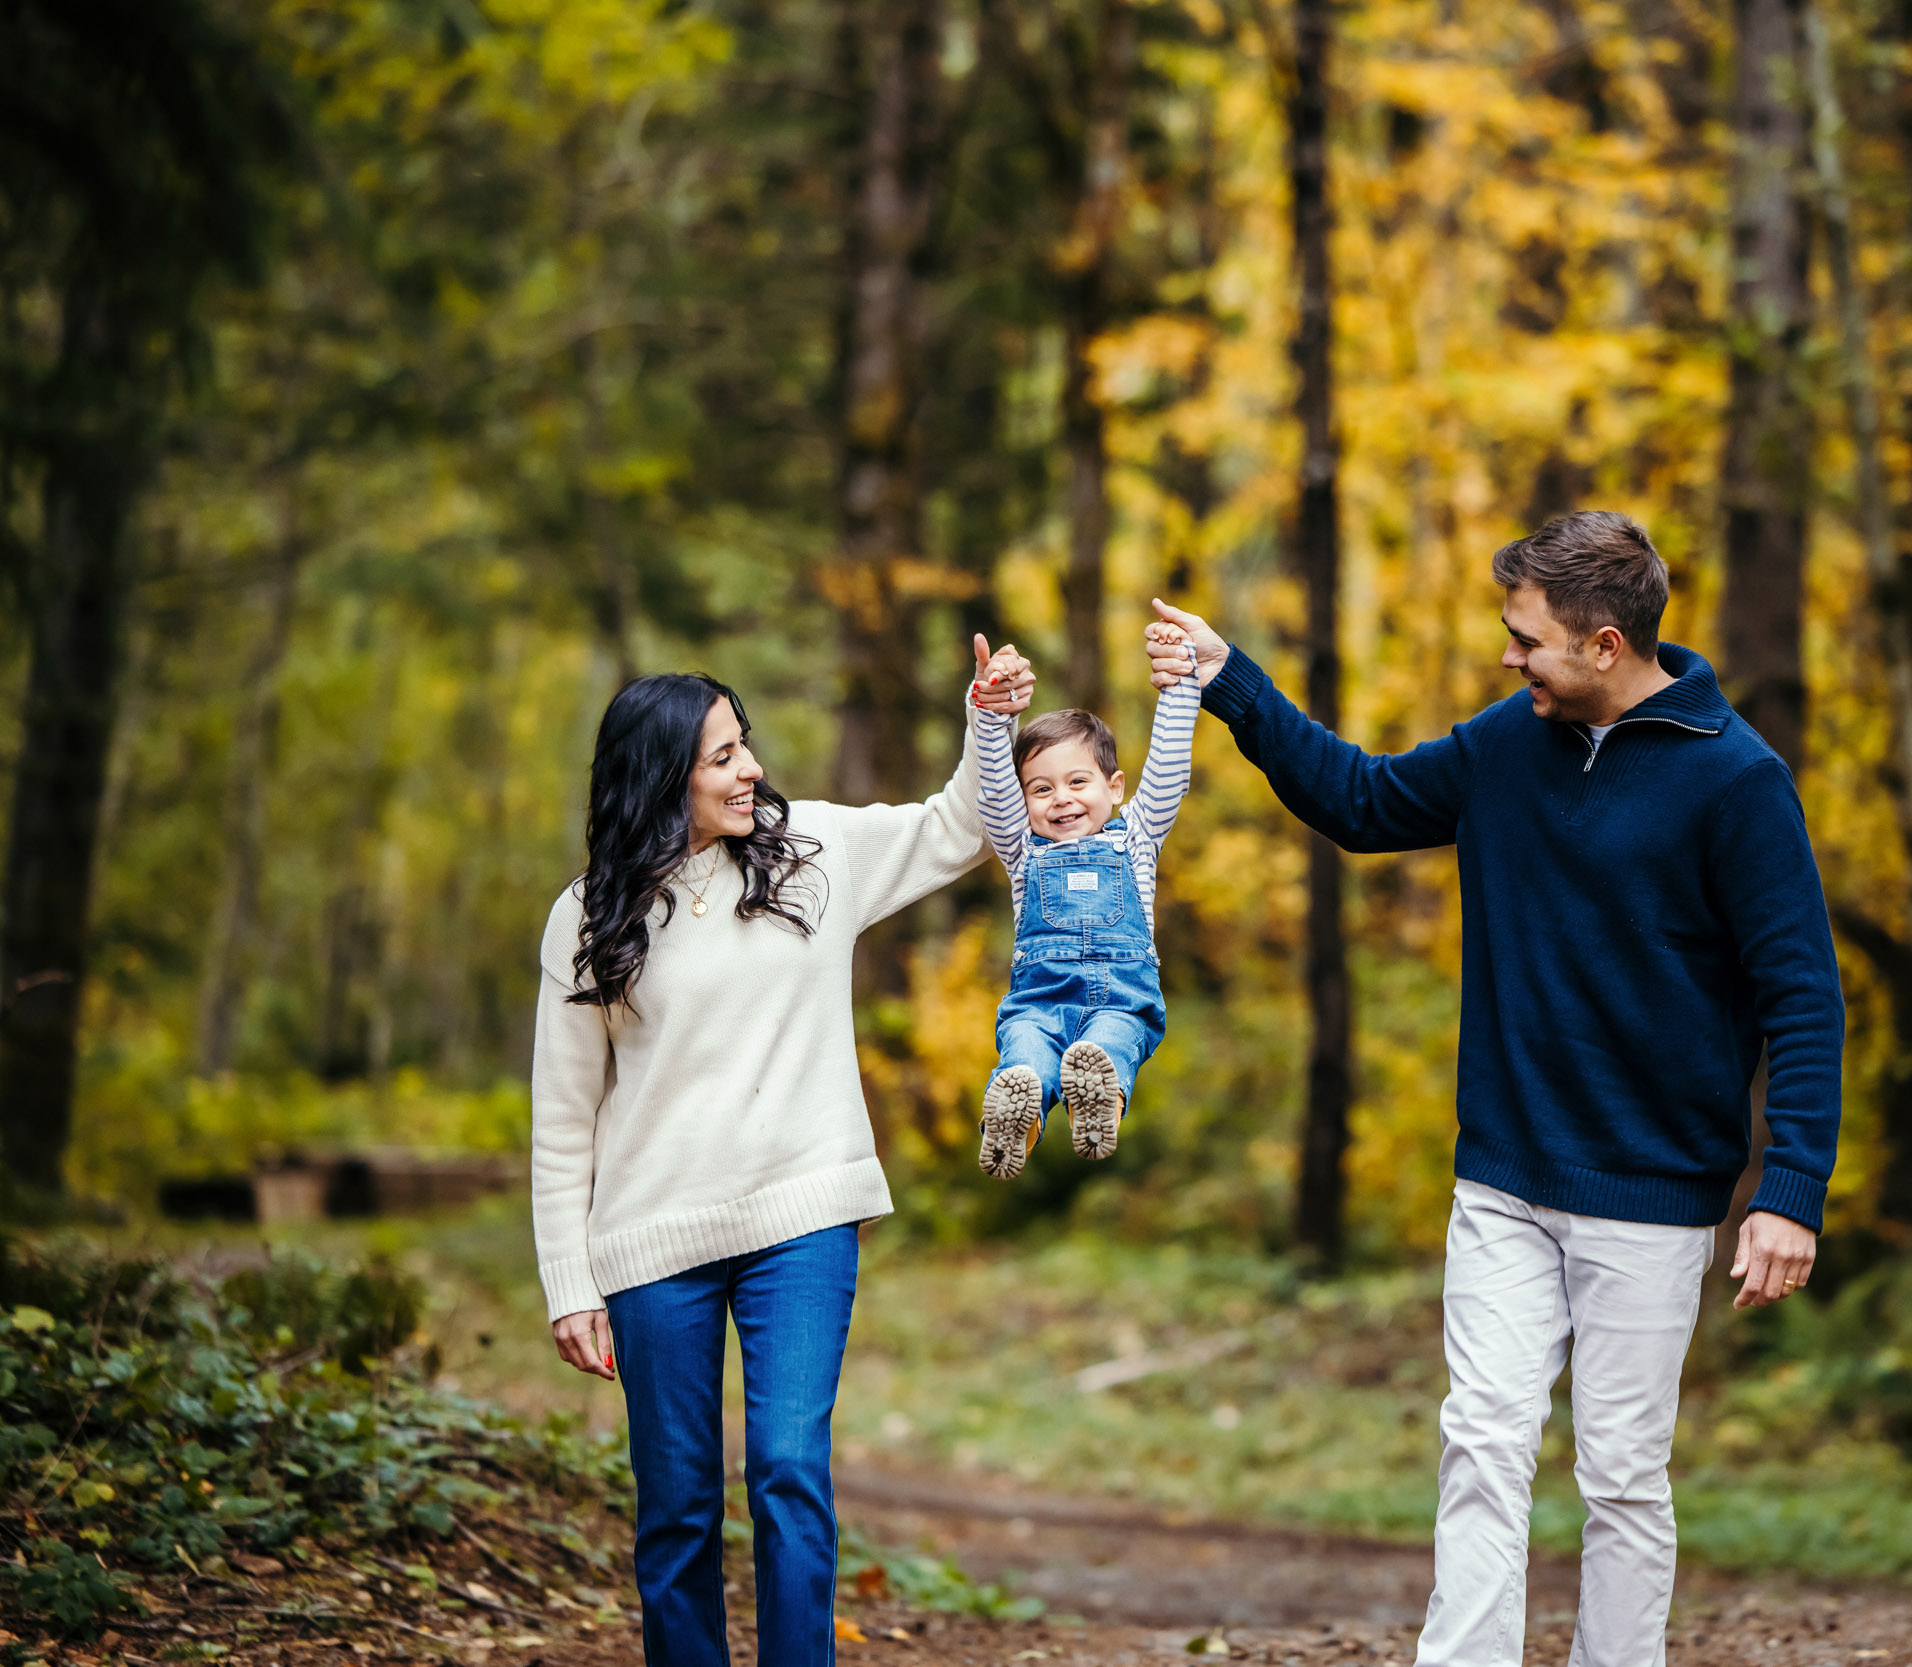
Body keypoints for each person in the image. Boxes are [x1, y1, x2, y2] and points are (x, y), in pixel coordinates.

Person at [1144, 510, 1844, 1667]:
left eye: (1526, 638)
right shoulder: (1510, 742)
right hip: (1506, 1173)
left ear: (1604, 643)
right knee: (1480, 1442)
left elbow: (1801, 996)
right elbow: (1363, 802)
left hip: (1652, 1190)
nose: (1508, 657)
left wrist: (1793, 1185)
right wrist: (1232, 683)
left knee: (1622, 1476)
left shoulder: (1737, 782)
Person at [530, 645, 1032, 1667]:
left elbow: (957, 825)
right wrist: (567, 1280)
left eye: (744, 742)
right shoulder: (587, 914)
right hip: (651, 1239)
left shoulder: (812, 851)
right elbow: (562, 1114)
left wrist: (986, 722)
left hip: (799, 1218)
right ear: (662, 773)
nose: (750, 766)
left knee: (789, 1466)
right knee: (675, 1503)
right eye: (722, 754)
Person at [965, 624, 1202, 1178]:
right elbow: (995, 785)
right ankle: (1014, 1114)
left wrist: (1181, 683)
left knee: (1112, 1039)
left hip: (1120, 998)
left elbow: (1168, 769)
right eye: (1041, 789)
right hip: (1039, 1000)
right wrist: (992, 712)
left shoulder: (1138, 838)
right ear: (1024, 805)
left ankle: (1099, 1100)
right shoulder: (1022, 850)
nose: (1061, 799)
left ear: (1115, 787)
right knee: (1025, 1051)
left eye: (1077, 781)